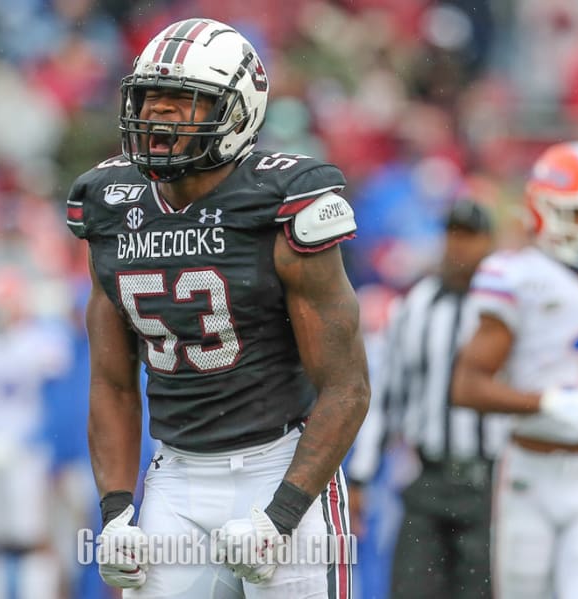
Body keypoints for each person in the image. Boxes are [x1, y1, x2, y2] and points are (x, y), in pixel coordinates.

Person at [66, 17, 370, 599]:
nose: (158, 114)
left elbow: (347, 386)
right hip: (174, 476)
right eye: (150, 96)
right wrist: (115, 514)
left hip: (278, 464)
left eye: (182, 100)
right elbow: (112, 383)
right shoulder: (108, 205)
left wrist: (279, 517)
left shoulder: (283, 204)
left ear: (236, 112)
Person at [452, 140, 578, 599]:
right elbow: (467, 386)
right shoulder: (518, 277)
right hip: (529, 472)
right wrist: (549, 401)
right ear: (544, 212)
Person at [347, 200, 513, 599]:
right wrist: (361, 476)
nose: (460, 246)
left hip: (490, 484)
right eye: (453, 235)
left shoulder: (508, 303)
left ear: (488, 241)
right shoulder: (417, 304)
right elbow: (388, 395)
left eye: (470, 236)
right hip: (429, 479)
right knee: (411, 588)